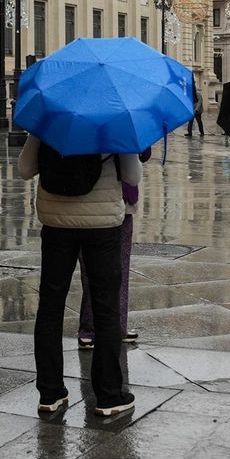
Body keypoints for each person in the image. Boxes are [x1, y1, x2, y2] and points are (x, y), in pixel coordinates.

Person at [19, 137, 142, 417]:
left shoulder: (48, 121)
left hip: (56, 223)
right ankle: (109, 396)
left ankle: (50, 393)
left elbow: (25, 169)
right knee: (106, 308)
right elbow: (132, 176)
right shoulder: (114, 123)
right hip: (102, 226)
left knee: (50, 307)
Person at [77, 147, 151, 350]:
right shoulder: (122, 130)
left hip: (109, 202)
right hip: (102, 201)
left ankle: (109, 327)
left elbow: (144, 153)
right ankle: (94, 328)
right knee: (107, 268)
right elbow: (136, 169)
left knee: (107, 268)